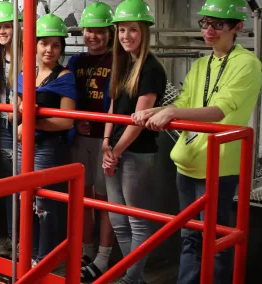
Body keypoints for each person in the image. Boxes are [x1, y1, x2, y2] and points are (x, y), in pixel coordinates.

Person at [132, 1, 260, 283]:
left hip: (218, 166)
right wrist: (150, 112)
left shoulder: (247, 64)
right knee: (190, 234)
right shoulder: (202, 63)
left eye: (218, 24)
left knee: (215, 237)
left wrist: (171, 112)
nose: (209, 30)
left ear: (237, 27)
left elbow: (219, 111)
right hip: (187, 162)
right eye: (205, 23)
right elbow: (185, 101)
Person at [102, 1, 166, 283]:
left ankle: (130, 280)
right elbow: (113, 109)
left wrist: (114, 150)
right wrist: (106, 143)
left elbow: (139, 120)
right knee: (118, 220)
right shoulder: (122, 64)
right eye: (122, 30)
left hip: (137, 153)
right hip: (115, 150)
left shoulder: (150, 69)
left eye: (133, 30)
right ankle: (134, 278)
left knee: (137, 222)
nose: (126, 35)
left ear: (145, 32)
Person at [16, 13, 77, 264]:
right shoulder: (25, 72)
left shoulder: (64, 77)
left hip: (48, 148)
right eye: (44, 43)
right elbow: (15, 108)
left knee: (44, 205)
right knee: (25, 200)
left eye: (55, 44)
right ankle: (29, 255)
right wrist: (19, 114)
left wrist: (32, 124)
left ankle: (43, 259)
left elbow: (67, 120)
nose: (49, 49)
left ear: (61, 47)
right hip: (24, 146)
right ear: (35, 45)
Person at [65, 1, 116, 280]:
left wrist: (96, 124)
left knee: (104, 199)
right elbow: (67, 95)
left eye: (99, 31)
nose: (93, 36)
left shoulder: (118, 61)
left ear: (109, 32)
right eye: (88, 31)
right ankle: (86, 250)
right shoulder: (76, 61)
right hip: (80, 137)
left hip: (105, 139)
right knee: (82, 196)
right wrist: (75, 120)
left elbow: (119, 102)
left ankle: (104, 257)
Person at [0, 0, 22, 256]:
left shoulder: (27, 55)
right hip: (1, 125)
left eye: (6, 27)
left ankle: (24, 241)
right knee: (8, 184)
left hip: (22, 127)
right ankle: (12, 238)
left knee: (22, 184)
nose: (2, 32)